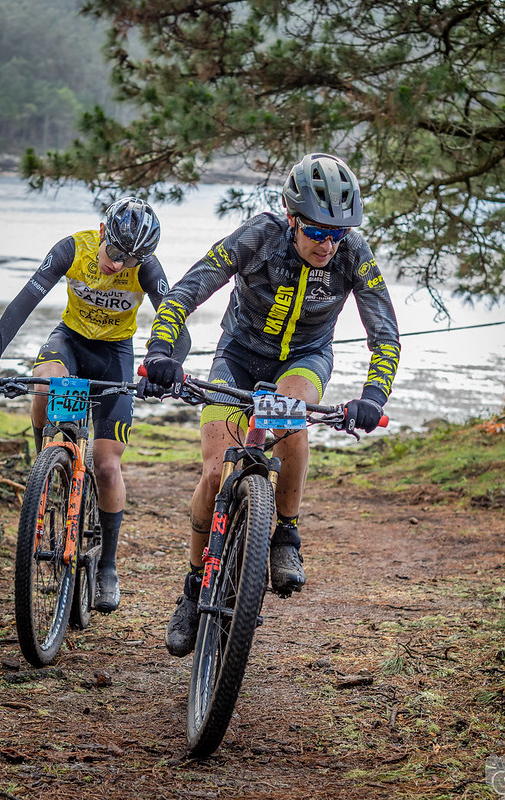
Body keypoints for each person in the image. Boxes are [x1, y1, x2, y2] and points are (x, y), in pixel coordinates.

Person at [142, 152, 401, 657]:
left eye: (339, 233)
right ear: (292, 217)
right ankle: (194, 588)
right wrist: (160, 352)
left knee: (290, 409)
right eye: (318, 232)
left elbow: (386, 336)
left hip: (305, 358)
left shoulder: (353, 254)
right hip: (238, 355)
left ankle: (285, 533)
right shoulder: (257, 236)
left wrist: (373, 397)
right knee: (216, 475)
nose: (329, 243)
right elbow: (183, 294)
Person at [0, 196, 190, 613]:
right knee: (46, 386)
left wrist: (168, 366)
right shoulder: (74, 248)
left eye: (131, 259)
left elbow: (178, 325)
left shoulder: (146, 267)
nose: (119, 265)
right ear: (103, 232)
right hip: (68, 342)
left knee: (106, 466)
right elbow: (22, 303)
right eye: (116, 252)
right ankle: (46, 465)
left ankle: (107, 566)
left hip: (116, 355)